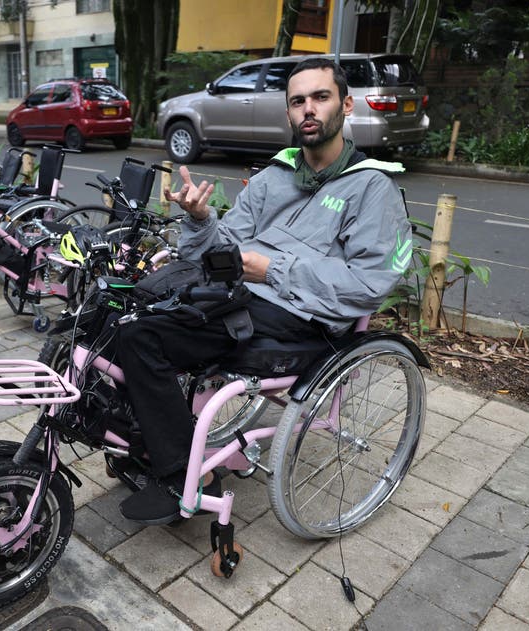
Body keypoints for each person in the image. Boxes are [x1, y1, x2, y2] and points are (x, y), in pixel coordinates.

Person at [111, 57, 414, 525]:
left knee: (142, 338)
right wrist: (200, 220)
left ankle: (184, 476)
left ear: (346, 105)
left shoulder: (373, 188)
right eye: (298, 102)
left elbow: (368, 285)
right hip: (237, 296)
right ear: (289, 113)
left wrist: (272, 269)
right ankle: (146, 436)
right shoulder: (276, 175)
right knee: (119, 310)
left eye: (320, 97)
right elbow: (224, 249)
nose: (308, 109)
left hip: (302, 321)